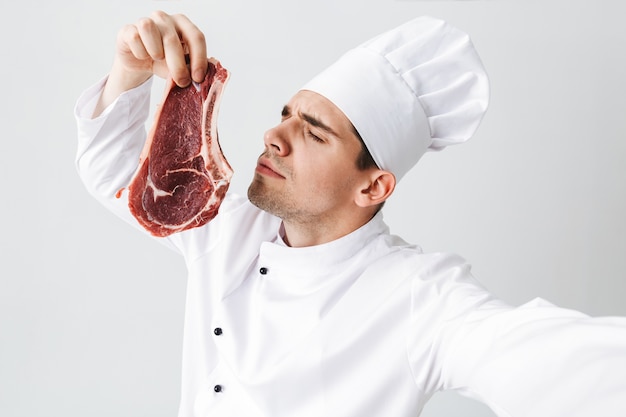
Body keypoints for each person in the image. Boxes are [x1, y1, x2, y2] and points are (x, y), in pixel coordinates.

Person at [75, 10, 626, 417]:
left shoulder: (419, 295)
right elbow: (111, 175)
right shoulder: (227, 228)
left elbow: (534, 356)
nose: (274, 135)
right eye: (286, 115)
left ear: (374, 186)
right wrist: (130, 71)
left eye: (313, 133)